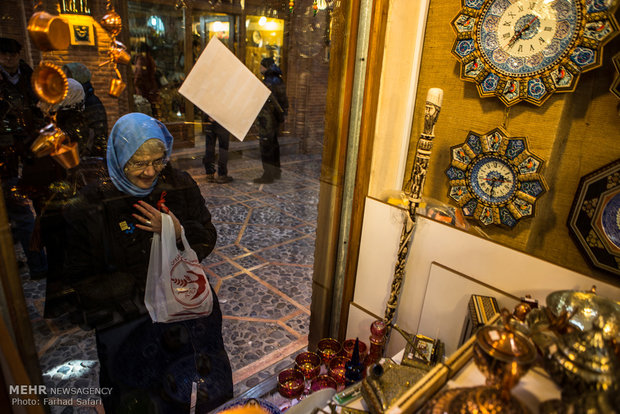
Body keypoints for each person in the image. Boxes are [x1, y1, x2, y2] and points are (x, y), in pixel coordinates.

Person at [63, 113, 232, 413]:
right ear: (118, 156)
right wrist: (136, 287)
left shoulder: (178, 184)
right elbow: (78, 279)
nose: (149, 171)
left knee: (193, 387)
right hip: (130, 323)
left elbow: (206, 235)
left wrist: (175, 231)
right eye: (138, 163)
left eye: (157, 160)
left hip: (182, 311)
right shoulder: (93, 203)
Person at [0, 37, 47, 278]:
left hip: (33, 150)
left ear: (19, 54)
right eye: (3, 54)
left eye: (11, 54)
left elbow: (41, 109)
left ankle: (41, 259)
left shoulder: (30, 77)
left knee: (38, 208)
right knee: (19, 211)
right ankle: (36, 264)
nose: (7, 58)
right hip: (6, 156)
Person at [254, 57, 288, 184]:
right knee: (274, 144)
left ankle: (268, 175)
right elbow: (284, 99)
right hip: (276, 118)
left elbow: (262, 102)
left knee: (266, 146)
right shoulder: (278, 79)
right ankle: (276, 172)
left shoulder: (268, 82)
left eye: (261, 66)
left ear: (266, 67)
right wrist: (284, 113)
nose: (260, 68)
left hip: (267, 118)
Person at [62, 62, 108, 156]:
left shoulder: (91, 102)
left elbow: (99, 135)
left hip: (87, 157)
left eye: (68, 77)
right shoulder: (70, 101)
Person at [203, 114, 233, 183]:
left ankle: (209, 174)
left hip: (209, 122)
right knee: (223, 149)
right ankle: (222, 175)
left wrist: (208, 117)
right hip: (223, 122)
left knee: (209, 148)